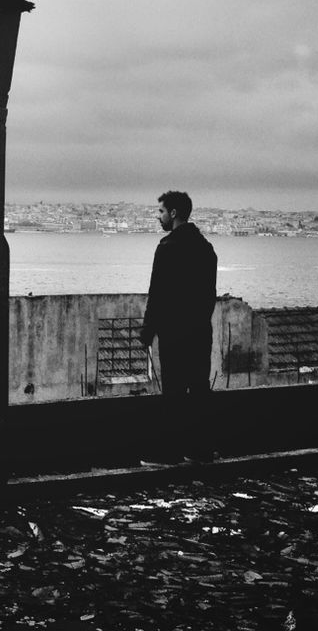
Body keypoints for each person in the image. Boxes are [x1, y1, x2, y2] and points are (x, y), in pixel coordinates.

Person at [139, 189, 218, 461]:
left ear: (173, 214)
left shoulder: (167, 247)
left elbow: (157, 294)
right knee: (198, 389)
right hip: (199, 332)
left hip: (173, 332)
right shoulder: (207, 249)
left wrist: (148, 331)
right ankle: (201, 449)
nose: (158, 216)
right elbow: (209, 297)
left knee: (172, 393)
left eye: (161, 211)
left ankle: (169, 451)